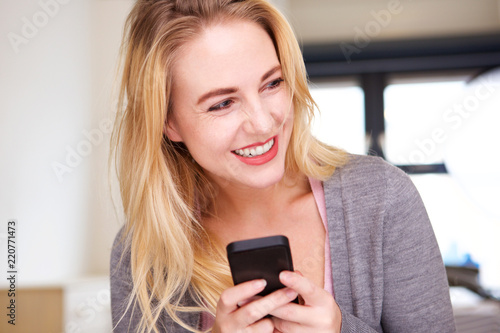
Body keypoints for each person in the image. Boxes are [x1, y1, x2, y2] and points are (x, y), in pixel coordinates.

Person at [109, 0, 456, 332]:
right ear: (169, 123)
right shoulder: (142, 253)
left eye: (272, 83)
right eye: (222, 104)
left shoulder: (382, 198)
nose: (263, 123)